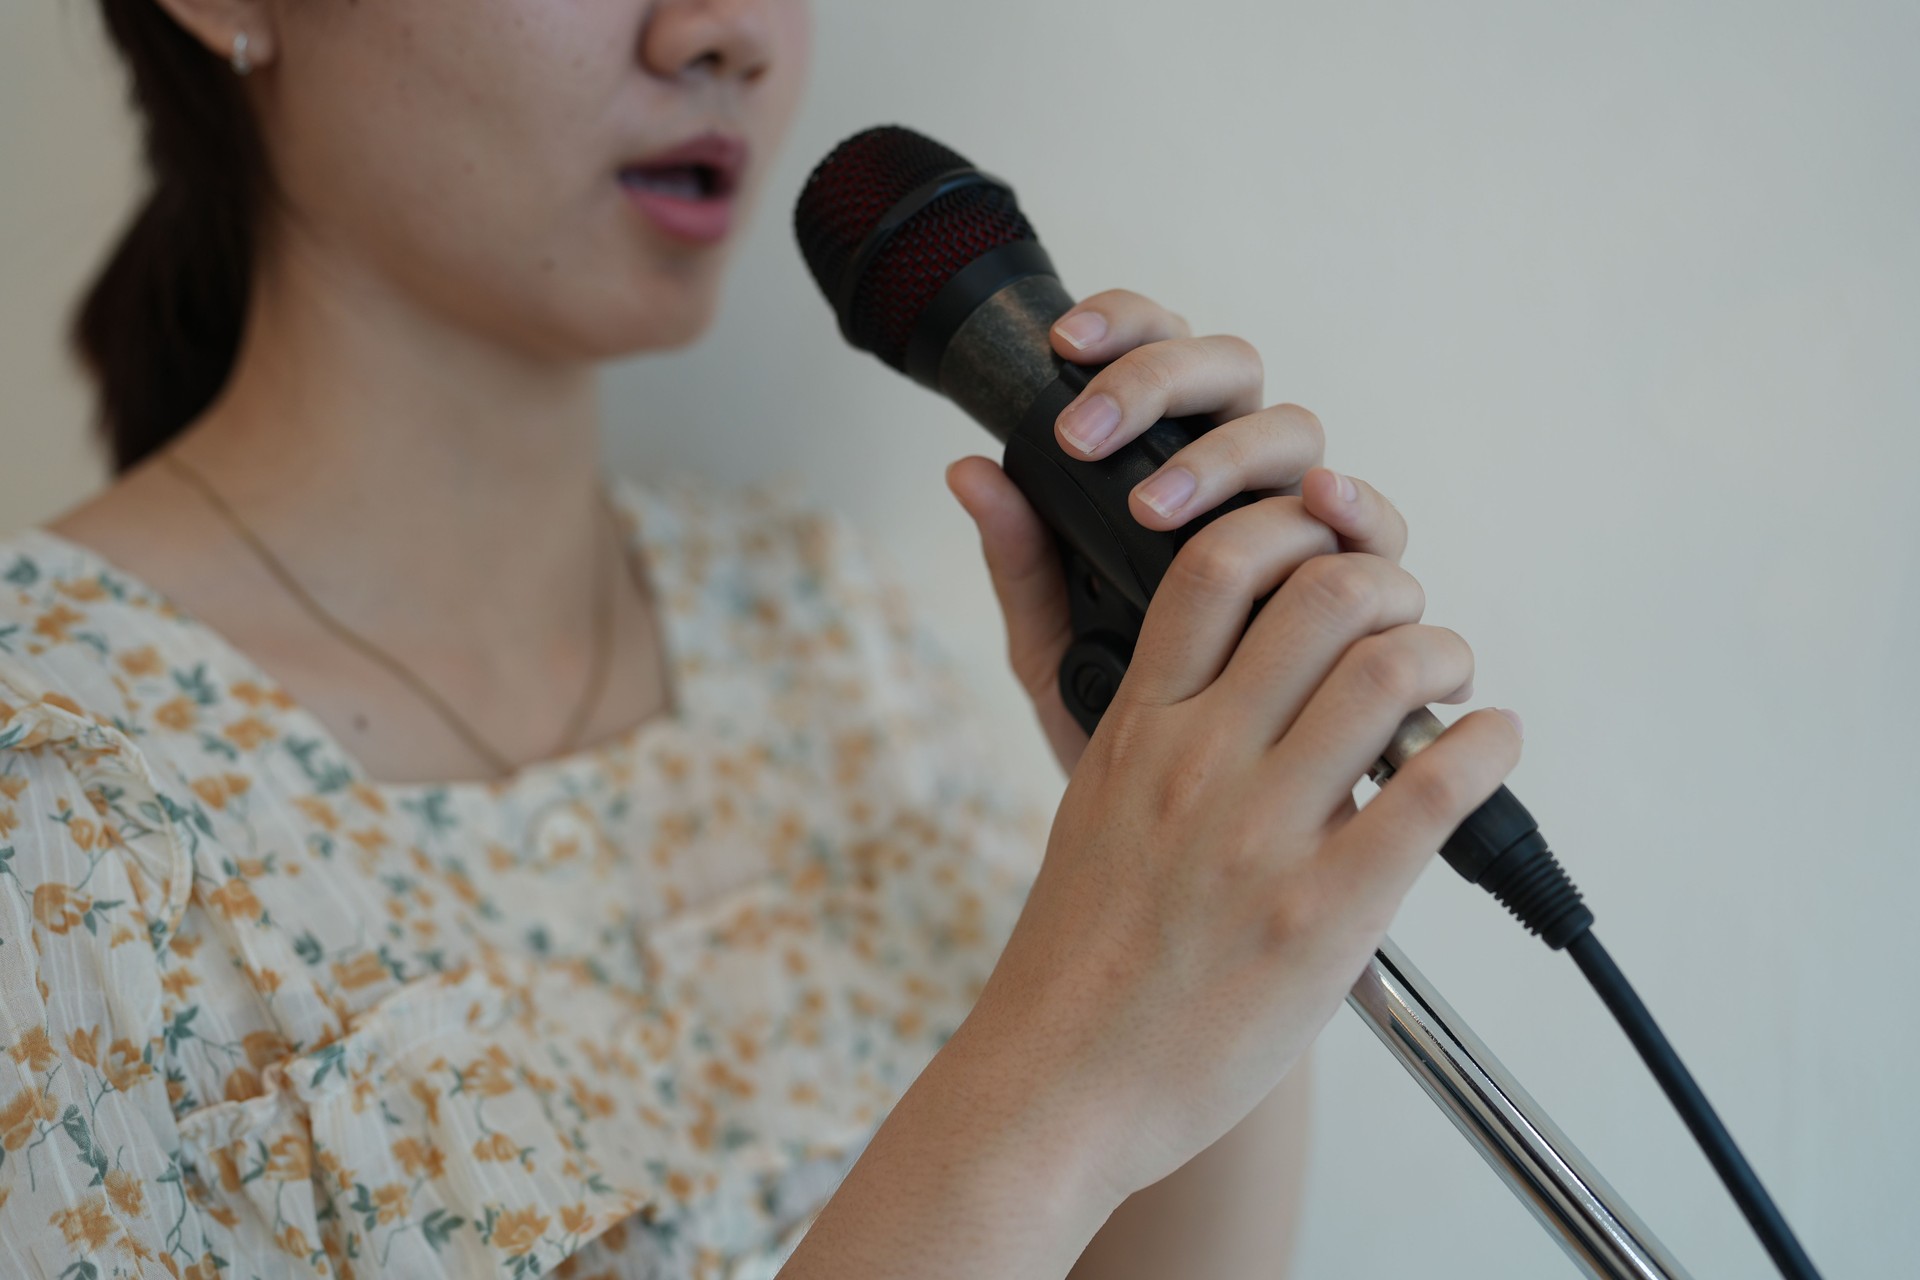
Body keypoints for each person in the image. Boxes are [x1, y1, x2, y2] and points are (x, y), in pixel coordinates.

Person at [0, 1, 1520, 1276]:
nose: (721, 25)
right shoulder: (47, 797)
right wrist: (1051, 1093)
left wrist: (1238, 854)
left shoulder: (819, 630)